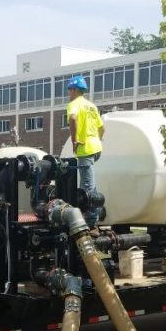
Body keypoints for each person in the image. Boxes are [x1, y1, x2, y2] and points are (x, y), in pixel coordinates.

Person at [66, 75, 104, 226]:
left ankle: (90, 221)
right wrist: (96, 140)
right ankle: (90, 213)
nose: (69, 93)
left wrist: (74, 140)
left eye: (69, 90)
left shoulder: (74, 104)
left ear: (75, 90)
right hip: (96, 149)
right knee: (87, 184)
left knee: (87, 187)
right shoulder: (91, 106)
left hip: (85, 149)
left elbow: (73, 118)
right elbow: (102, 128)